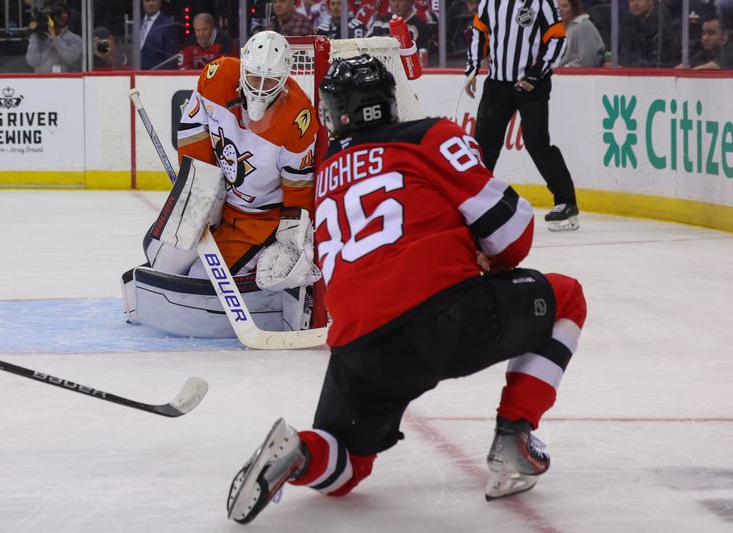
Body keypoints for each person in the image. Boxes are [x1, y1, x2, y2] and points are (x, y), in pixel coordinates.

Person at [226, 54, 587, 524]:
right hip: (444, 318)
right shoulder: (428, 136)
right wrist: (487, 263)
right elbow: (512, 232)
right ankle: (515, 439)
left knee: (347, 464)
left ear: (334, 114)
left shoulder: (328, 173)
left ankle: (297, 454)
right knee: (567, 297)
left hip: (357, 346)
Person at [121, 31, 320, 338]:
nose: (261, 89)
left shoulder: (299, 119)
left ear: (285, 77)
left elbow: (299, 190)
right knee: (163, 263)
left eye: (270, 82)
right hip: (210, 196)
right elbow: (192, 128)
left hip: (258, 219)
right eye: (254, 78)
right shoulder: (217, 75)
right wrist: (204, 187)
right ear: (243, 69)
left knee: (202, 277)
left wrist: (290, 242)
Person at [465, 0, 579, 231]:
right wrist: (473, 68)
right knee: (483, 146)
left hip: (531, 84)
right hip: (497, 84)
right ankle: (475, 203)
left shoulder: (542, 2)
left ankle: (566, 201)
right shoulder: (489, 2)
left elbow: (557, 38)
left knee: (537, 143)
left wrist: (536, 74)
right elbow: (480, 33)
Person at [618, 0, 681, 68]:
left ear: (651, 1)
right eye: (632, 1)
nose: (635, 4)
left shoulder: (663, 21)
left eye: (639, 0)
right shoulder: (628, 19)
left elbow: (662, 61)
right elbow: (624, 50)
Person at [25, 2, 82, 73]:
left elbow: (71, 60)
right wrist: (33, 35)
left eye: (65, 13)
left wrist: (56, 40)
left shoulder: (75, 39)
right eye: (58, 13)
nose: (62, 16)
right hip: (41, 81)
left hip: (67, 81)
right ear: (50, 15)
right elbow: (32, 62)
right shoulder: (40, 37)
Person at [367, 0, 432, 52]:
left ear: (411, 1)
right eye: (393, 0)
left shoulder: (420, 27)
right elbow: (363, 46)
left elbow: (419, 58)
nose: (395, 4)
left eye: (400, 1)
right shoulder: (380, 23)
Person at [558, 0, 605, 67]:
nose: (559, 10)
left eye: (565, 6)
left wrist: (560, 70)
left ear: (574, 8)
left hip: (575, 75)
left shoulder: (584, 26)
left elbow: (586, 61)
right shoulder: (561, 27)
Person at [139, 0, 181, 70]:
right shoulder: (137, 24)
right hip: (137, 74)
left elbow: (171, 58)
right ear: (143, 3)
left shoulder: (168, 25)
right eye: (147, 1)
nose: (150, 3)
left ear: (160, 2)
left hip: (157, 75)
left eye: (154, 0)